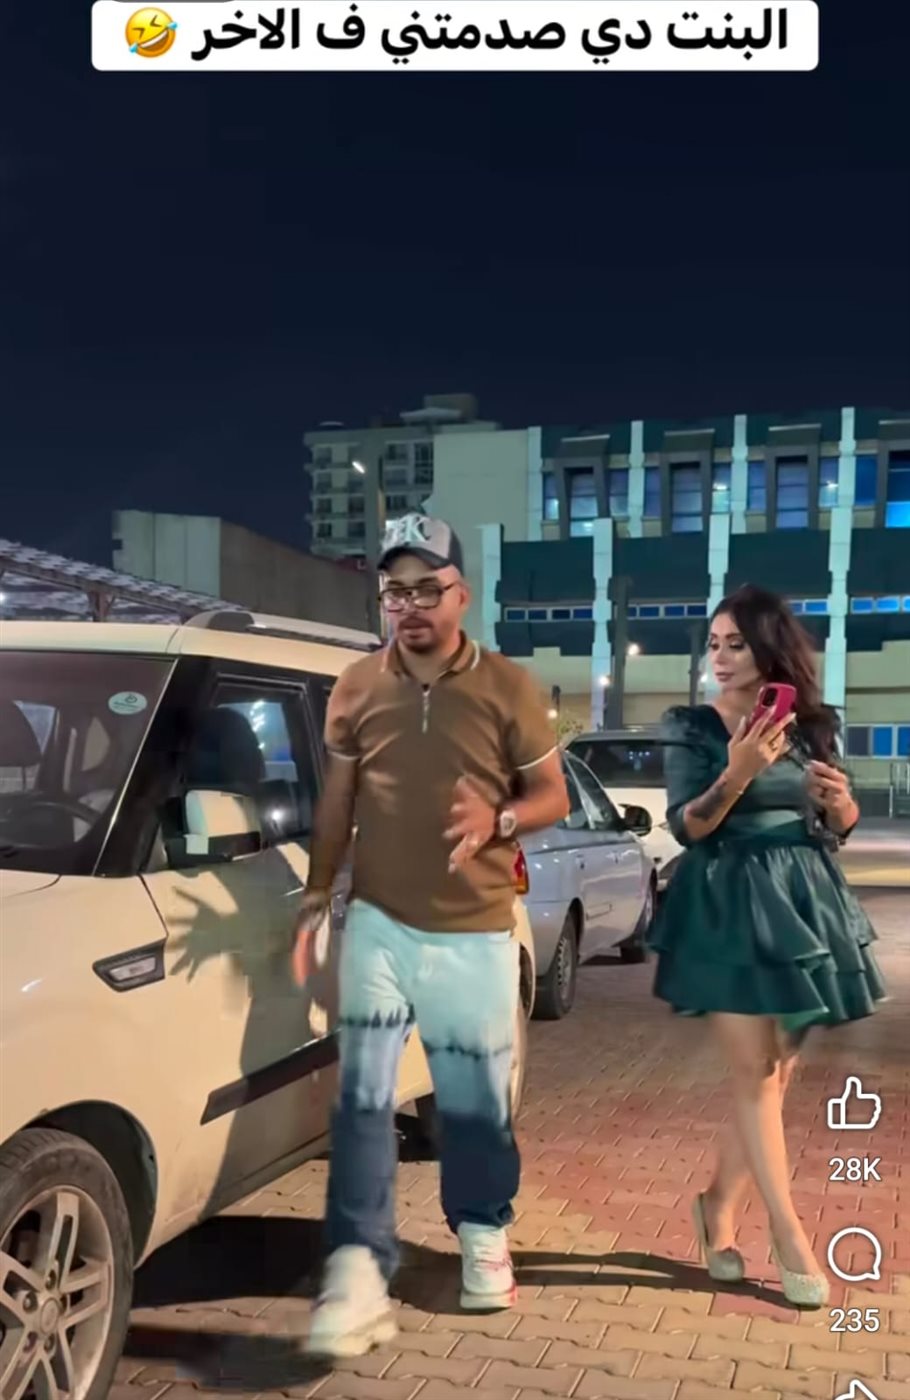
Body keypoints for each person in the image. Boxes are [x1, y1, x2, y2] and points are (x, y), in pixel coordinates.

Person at [292, 512, 569, 1358]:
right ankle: (357, 1265)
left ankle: (483, 1233)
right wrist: (317, 895)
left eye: (425, 589)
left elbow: (552, 796)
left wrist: (498, 820)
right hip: (378, 921)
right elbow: (338, 802)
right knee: (363, 1097)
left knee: (471, 1099)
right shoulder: (355, 687)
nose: (408, 606)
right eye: (394, 592)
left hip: (474, 928)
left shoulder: (508, 686)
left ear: (461, 595)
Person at [648, 584, 885, 1308]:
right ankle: (788, 1234)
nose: (720, 657)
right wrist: (739, 769)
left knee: (776, 1077)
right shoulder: (692, 725)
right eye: (713, 644)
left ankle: (716, 1204)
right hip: (726, 902)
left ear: (768, 649)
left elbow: (835, 826)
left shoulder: (809, 725)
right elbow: (689, 826)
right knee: (754, 1073)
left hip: (803, 901)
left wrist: (841, 807)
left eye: (736, 644)